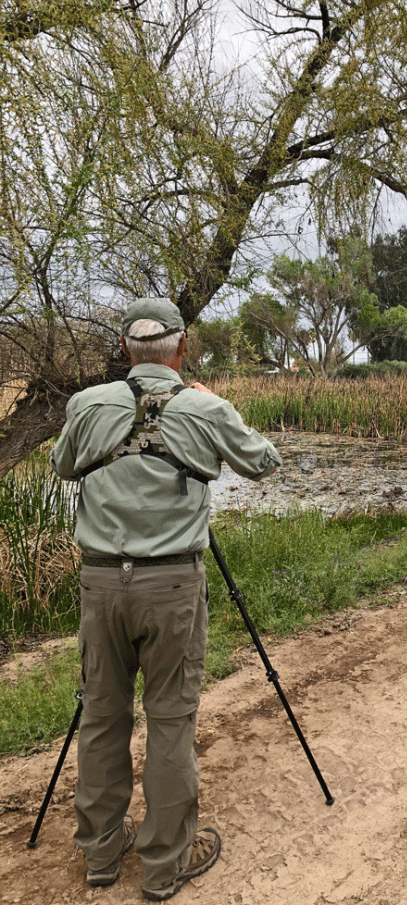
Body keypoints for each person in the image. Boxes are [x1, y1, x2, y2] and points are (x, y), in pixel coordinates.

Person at [51, 297, 282, 902]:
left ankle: (101, 852)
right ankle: (164, 864)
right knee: (171, 719)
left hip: (102, 584)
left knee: (102, 715)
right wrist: (214, 407)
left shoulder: (87, 404)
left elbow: (63, 466)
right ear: (182, 346)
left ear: (124, 348)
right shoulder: (205, 407)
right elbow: (264, 462)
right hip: (173, 586)